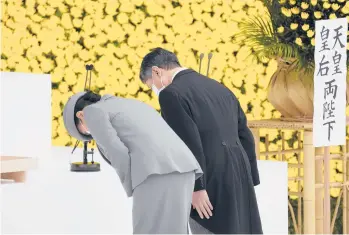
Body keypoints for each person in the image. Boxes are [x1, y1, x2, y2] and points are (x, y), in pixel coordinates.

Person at [139, 48, 263, 234]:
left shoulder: (170, 94)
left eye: (152, 85)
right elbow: (244, 134)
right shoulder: (219, 87)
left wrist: (196, 187)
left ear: (157, 71)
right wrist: (249, 177)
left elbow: (186, 142)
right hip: (239, 173)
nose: (155, 90)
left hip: (209, 179)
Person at [62, 91, 203, 234]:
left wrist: (131, 184)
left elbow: (116, 150)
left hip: (154, 172)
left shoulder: (91, 112)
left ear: (80, 115)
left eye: (85, 131)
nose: (89, 133)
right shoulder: (131, 103)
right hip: (185, 167)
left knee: (147, 230)